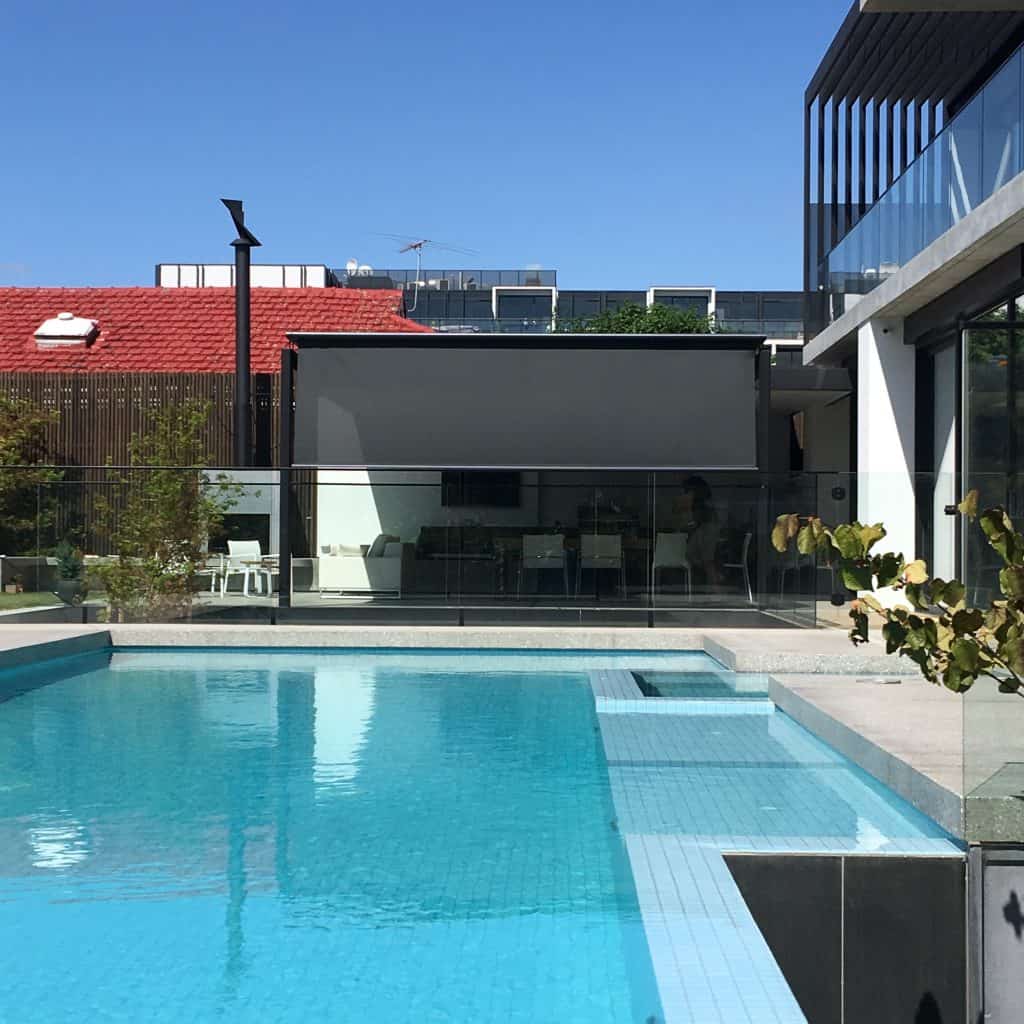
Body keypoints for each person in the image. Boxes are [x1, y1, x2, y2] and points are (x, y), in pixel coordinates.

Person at [679, 476, 721, 588]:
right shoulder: (704, 504)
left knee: (706, 560)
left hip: (706, 533)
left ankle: (715, 585)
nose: (684, 495)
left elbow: (699, 521)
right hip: (705, 532)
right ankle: (713, 583)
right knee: (704, 559)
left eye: (686, 492)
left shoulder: (701, 505)